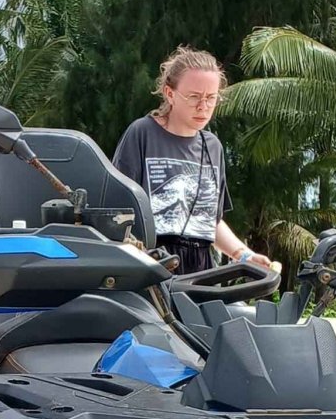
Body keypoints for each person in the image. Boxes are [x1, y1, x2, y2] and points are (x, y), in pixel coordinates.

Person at [111, 46, 272, 274]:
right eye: (194, 97)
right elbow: (119, 208)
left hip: (201, 265)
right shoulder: (142, 133)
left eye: (211, 98)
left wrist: (243, 254)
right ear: (169, 93)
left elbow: (210, 221)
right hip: (152, 260)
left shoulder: (213, 146)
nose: (203, 107)